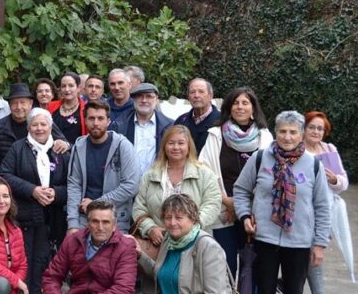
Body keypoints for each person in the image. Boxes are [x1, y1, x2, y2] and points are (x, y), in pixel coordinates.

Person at [234, 111, 331, 294]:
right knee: (264, 292)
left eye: (293, 132)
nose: (287, 137)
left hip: (298, 242)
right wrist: (245, 215)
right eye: (283, 131)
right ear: (275, 133)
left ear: (301, 135)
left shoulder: (312, 165)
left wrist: (319, 243)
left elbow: (323, 206)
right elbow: (241, 190)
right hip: (264, 239)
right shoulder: (260, 159)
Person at [0, 108, 68, 294]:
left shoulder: (60, 150)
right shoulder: (18, 148)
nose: (39, 128)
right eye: (35, 125)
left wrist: (55, 193)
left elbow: (72, 182)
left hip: (51, 216)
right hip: (25, 214)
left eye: (43, 124)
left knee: (44, 258)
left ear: (50, 127)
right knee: (24, 258)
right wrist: (33, 190)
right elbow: (5, 175)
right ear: (28, 127)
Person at [198, 87, 274, 273]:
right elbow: (205, 170)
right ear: (229, 107)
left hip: (254, 210)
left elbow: (269, 174)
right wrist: (228, 202)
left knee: (253, 266)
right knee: (225, 265)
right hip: (224, 209)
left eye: (245, 103)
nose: (240, 107)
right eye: (236, 103)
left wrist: (242, 207)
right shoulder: (216, 134)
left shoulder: (265, 137)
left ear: (253, 109)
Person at [132, 125, 222, 260]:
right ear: (164, 146)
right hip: (158, 246)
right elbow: (139, 208)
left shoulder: (204, 173)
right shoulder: (150, 175)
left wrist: (190, 228)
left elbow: (213, 204)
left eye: (181, 143)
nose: (175, 147)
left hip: (195, 245)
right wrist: (150, 228)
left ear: (189, 146)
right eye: (171, 143)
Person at [66, 100, 140, 234]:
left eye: (100, 118)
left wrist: (96, 204)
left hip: (115, 218)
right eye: (91, 118)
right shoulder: (79, 146)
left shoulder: (123, 146)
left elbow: (131, 186)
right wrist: (72, 224)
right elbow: (74, 184)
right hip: (85, 218)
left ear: (108, 121)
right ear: (85, 121)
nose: (96, 123)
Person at [303, 111, 348, 294]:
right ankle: (290, 284)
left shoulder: (330, 150)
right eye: (312, 127)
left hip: (323, 212)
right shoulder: (297, 150)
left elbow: (343, 182)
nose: (316, 131)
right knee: (302, 256)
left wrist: (334, 179)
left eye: (320, 128)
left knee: (314, 255)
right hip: (300, 211)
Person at [0, 82, 68, 179]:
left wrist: (64, 144)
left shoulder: (42, 123)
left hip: (38, 178)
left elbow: (64, 143)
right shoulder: (0, 126)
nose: (19, 107)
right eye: (14, 103)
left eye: (23, 103)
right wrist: (3, 174)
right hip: (7, 181)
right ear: (9, 105)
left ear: (30, 104)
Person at [111, 82, 173, 174]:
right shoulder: (119, 125)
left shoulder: (169, 126)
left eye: (149, 96)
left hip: (156, 182)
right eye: (139, 96)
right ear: (134, 99)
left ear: (156, 99)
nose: (144, 100)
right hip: (127, 182)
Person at [172, 78, 220, 153]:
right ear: (188, 97)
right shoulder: (181, 121)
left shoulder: (222, 121)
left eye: (201, 92)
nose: (196, 95)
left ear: (210, 96)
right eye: (192, 92)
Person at [50, 72, 87, 144]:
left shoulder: (86, 109)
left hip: (75, 152)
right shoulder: (51, 106)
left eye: (71, 86)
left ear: (78, 88)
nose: (67, 89)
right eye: (63, 86)